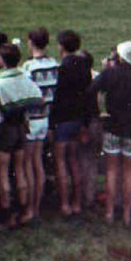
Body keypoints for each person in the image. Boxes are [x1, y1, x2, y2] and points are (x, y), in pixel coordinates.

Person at [92, 41, 131, 227]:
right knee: (129, 173)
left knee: (111, 171)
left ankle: (109, 212)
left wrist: (99, 111)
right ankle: (127, 215)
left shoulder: (110, 73)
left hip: (112, 127)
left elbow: (91, 90)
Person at [0, 43, 43, 229]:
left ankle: (8, 215)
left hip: (5, 128)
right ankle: (23, 212)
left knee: (3, 173)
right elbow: (38, 99)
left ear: (1, 60)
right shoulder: (26, 78)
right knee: (20, 171)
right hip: (22, 126)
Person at [52, 30, 92, 217]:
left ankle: (64, 204)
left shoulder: (62, 68)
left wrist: (52, 124)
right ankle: (76, 203)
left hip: (62, 119)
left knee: (60, 163)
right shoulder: (84, 65)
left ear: (61, 46)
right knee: (74, 161)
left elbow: (57, 98)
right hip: (79, 119)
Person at [21, 27, 58, 224]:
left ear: (31, 42)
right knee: (38, 164)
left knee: (29, 164)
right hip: (46, 118)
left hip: (31, 119)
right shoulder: (54, 65)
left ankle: (30, 209)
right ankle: (36, 208)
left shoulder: (28, 67)